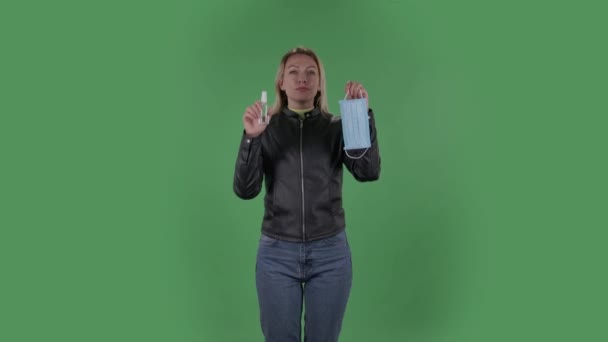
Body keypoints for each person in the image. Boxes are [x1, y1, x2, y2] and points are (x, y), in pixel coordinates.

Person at [233, 46, 381, 342]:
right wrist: (251, 138)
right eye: (294, 72)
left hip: (330, 252)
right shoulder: (265, 128)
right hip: (277, 254)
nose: (303, 77)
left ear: (319, 83)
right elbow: (246, 190)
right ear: (282, 83)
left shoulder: (337, 127)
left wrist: (359, 116)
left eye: (311, 72)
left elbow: (367, 171)